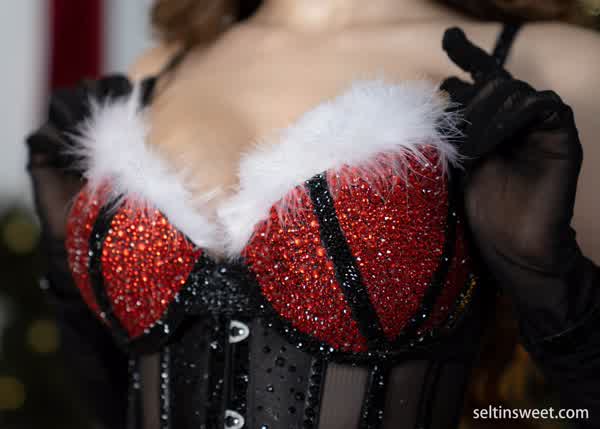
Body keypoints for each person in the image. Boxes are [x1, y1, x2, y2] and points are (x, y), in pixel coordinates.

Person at [25, 1, 600, 428]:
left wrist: (555, 291)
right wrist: (70, 282)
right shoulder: (157, 70)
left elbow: (564, 408)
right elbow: (117, 399)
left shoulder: (559, 68)